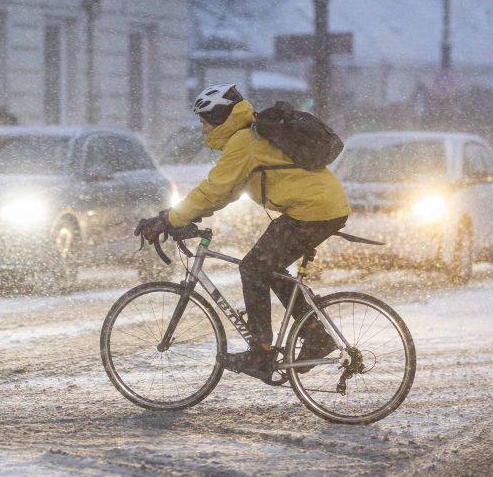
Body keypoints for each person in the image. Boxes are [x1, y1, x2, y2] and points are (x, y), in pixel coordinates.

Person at [136, 84, 351, 381]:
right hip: (319, 207)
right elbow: (225, 193)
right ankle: (314, 335)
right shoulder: (249, 138)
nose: (202, 130)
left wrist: (169, 219)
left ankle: (263, 353)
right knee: (269, 268)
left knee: (254, 268)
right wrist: (176, 217)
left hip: (313, 210)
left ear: (219, 116)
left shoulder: (243, 142)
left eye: (204, 121)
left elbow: (213, 189)